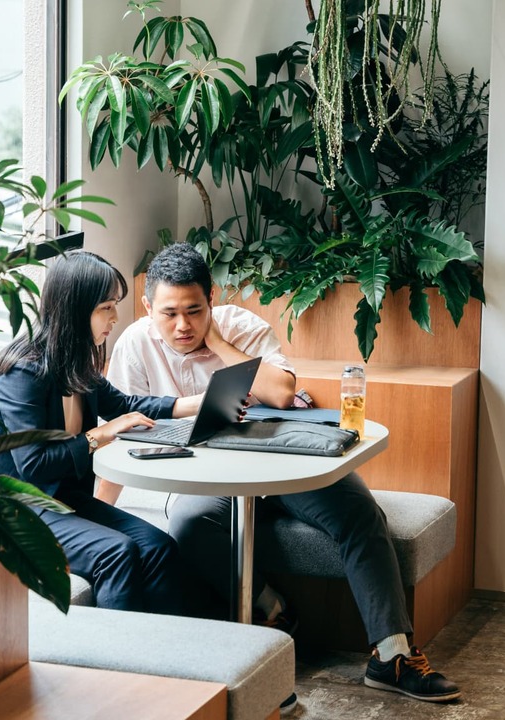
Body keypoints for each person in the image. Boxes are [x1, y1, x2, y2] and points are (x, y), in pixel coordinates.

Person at [105, 242, 461, 703]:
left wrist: (215, 341)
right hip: (206, 476)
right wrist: (100, 511)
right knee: (190, 527)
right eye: (169, 313)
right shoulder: (134, 345)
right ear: (148, 306)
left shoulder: (239, 327)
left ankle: (391, 657)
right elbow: (120, 432)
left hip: (280, 456)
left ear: (212, 299)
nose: (182, 326)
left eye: (194, 310)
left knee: (359, 513)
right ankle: (268, 611)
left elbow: (281, 392)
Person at [0, 250, 206, 615]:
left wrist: (199, 403)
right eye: (107, 307)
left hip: (58, 498)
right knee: (116, 554)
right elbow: (34, 465)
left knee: (158, 547)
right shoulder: (23, 372)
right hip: (9, 505)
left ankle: (168, 658)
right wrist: (102, 435)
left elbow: (125, 406)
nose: (115, 317)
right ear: (77, 309)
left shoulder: (77, 362)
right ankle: (117, 666)